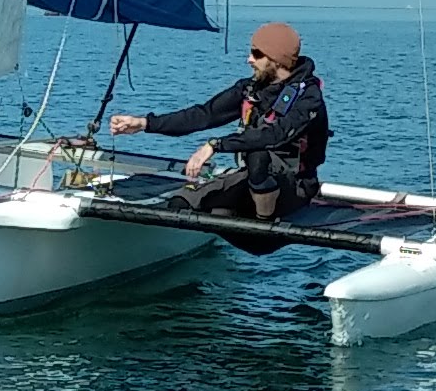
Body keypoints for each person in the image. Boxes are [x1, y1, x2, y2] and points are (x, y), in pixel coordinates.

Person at [109, 22, 327, 244]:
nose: (249, 59)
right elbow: (204, 115)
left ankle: (265, 223)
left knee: (257, 153)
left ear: (276, 58)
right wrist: (144, 123)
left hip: (293, 187)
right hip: (250, 180)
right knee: (182, 204)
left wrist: (214, 145)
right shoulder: (252, 89)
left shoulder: (309, 98)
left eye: (256, 53)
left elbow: (274, 136)